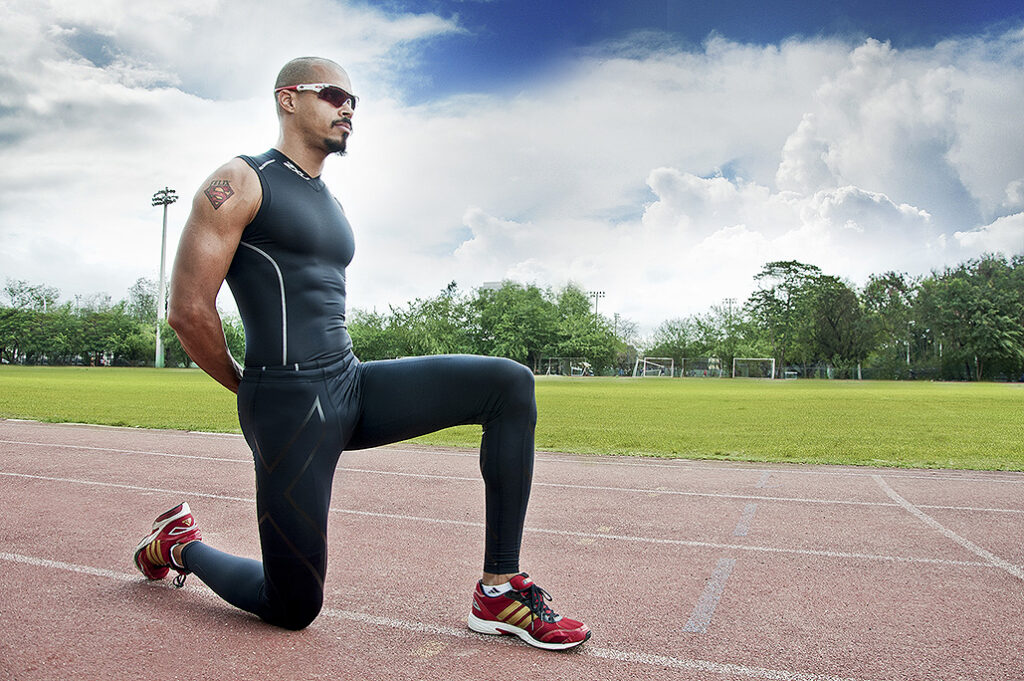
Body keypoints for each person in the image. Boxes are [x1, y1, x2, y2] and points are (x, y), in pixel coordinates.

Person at [132, 56, 590, 651]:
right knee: (292, 606)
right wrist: (251, 389)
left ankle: (499, 589)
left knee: (507, 384)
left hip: (348, 384)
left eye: (354, 101)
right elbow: (188, 309)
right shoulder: (241, 180)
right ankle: (179, 544)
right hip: (289, 402)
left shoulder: (329, 200)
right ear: (287, 98)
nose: (347, 107)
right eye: (332, 95)